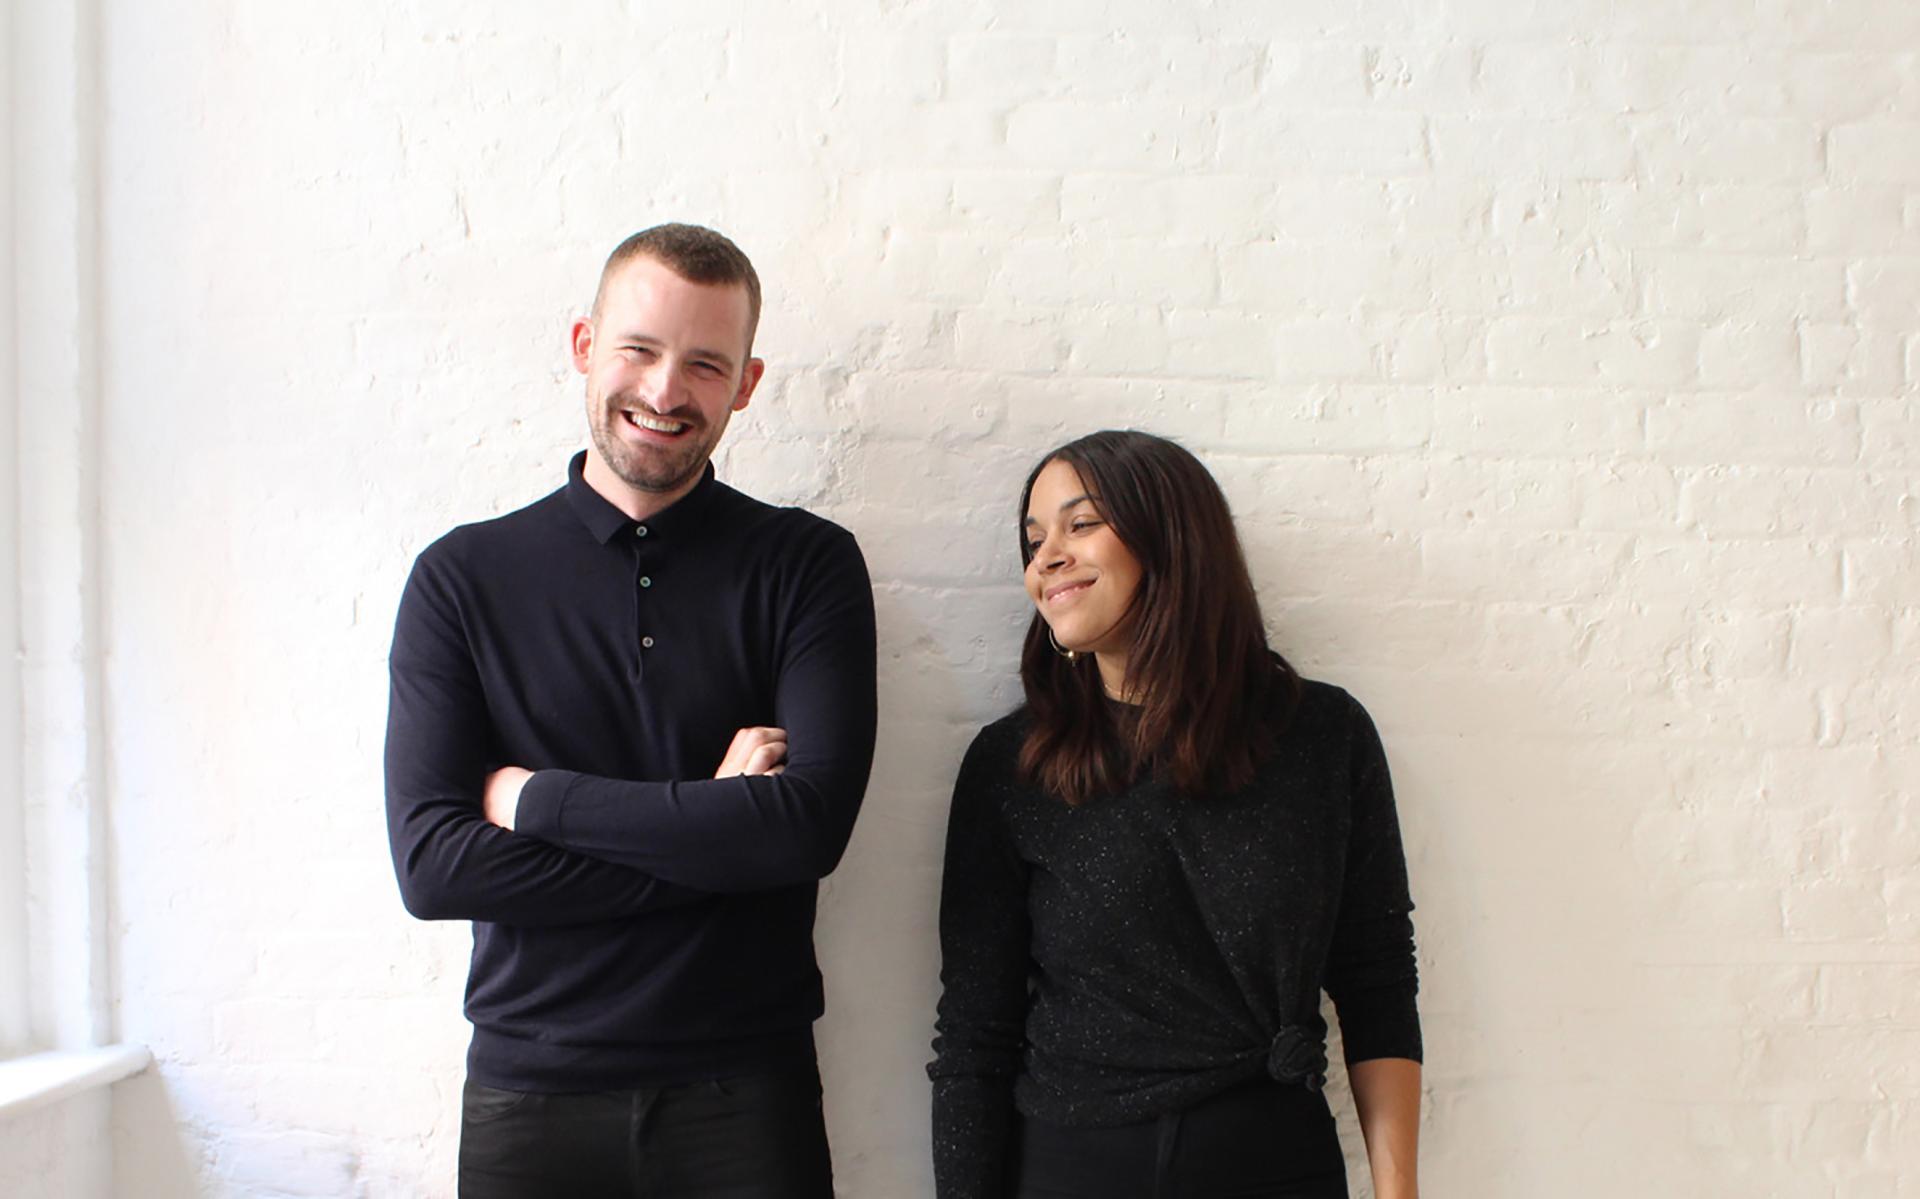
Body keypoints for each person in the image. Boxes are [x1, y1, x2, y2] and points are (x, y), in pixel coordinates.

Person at [384, 223, 877, 1198]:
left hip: (745, 1091)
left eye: (704, 363)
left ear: (746, 382)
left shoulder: (806, 565)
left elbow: (801, 832)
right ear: (583, 346)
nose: (663, 390)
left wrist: (536, 801)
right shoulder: (462, 577)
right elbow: (433, 866)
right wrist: (710, 822)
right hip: (531, 1096)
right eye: (639, 350)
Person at [928, 430, 1422, 1199]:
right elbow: (973, 1034)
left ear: (1173, 537)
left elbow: (1376, 975)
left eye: (1079, 523)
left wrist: (1399, 1190)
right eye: (1032, 540)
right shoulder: (1012, 763)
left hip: (1275, 1164)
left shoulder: (1323, 736)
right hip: (1070, 1169)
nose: (1045, 557)